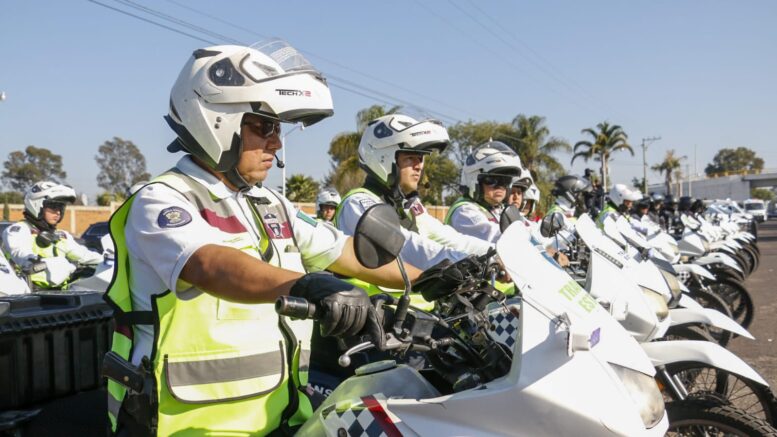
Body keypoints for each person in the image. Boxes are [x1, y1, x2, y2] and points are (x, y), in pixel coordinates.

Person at [104, 41, 421, 437]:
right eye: (264, 126)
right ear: (216, 119)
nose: (276, 142)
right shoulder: (163, 199)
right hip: (189, 427)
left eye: (278, 128)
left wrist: (431, 277)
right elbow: (208, 264)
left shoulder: (270, 203)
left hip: (280, 418)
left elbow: (345, 252)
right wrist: (311, 285)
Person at [334, 114, 492, 271]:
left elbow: (449, 238)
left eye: (421, 158)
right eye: (410, 157)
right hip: (367, 289)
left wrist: (494, 253)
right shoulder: (359, 204)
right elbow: (407, 246)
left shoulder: (406, 206)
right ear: (383, 158)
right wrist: (462, 260)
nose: (419, 166)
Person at [2, 181, 102, 289]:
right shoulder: (18, 230)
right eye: (53, 207)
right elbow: (20, 253)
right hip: (28, 294)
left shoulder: (61, 235)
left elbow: (84, 255)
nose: (58, 212)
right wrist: (33, 261)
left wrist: (108, 260)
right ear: (37, 205)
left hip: (60, 294)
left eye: (61, 207)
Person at [444, 141, 524, 243]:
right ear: (474, 180)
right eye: (492, 180)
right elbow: (496, 237)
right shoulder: (464, 211)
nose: (500, 186)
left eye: (505, 180)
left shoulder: (496, 210)